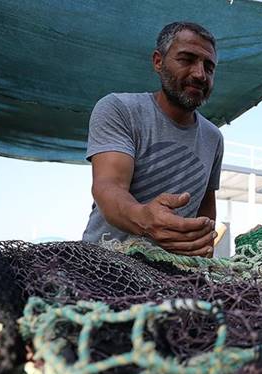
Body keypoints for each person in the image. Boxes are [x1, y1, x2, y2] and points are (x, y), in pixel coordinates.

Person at [82, 22, 223, 257]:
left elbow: (206, 208)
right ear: (158, 61)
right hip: (105, 261)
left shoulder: (213, 137)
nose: (200, 74)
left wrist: (202, 247)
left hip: (173, 272)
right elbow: (108, 186)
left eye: (209, 67)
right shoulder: (119, 109)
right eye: (186, 59)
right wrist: (145, 219)